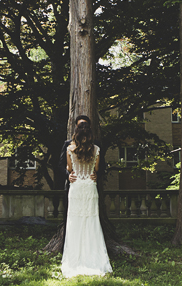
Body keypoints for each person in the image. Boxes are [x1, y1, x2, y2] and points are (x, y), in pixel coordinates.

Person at [61, 116, 112, 278]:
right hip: (89, 186)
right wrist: (69, 175)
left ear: (76, 131)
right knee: (91, 222)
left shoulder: (70, 148)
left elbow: (70, 167)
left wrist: (72, 173)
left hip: (76, 188)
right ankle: (93, 258)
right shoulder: (96, 149)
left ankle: (74, 260)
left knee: (75, 222)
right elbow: (96, 169)